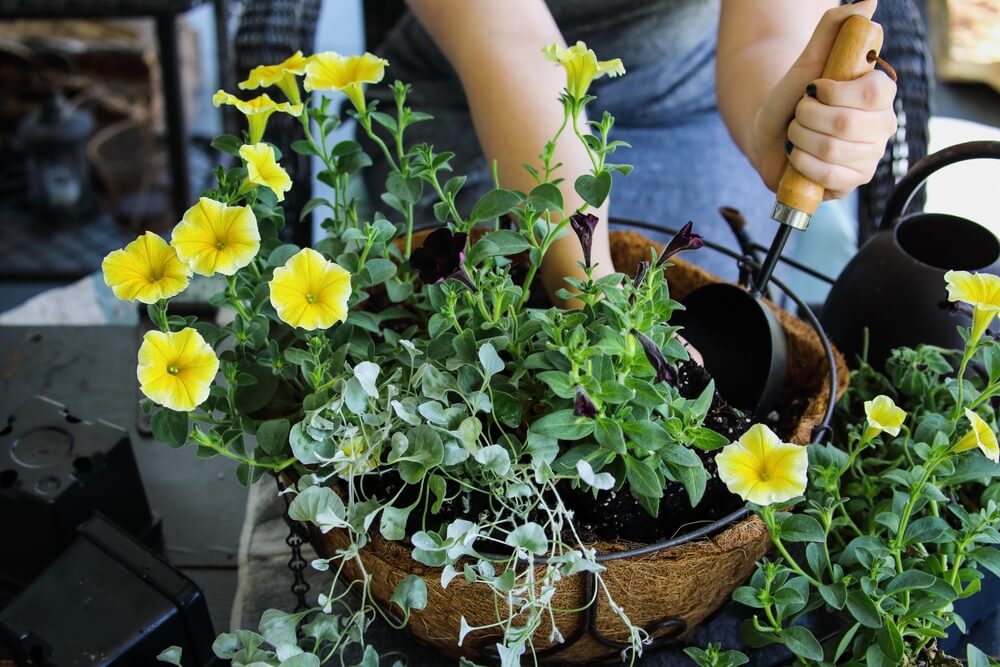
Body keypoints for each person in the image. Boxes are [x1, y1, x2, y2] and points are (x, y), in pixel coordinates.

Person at [363, 0, 898, 294]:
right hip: (475, 90)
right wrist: (590, 292)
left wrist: (782, 121)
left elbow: (763, 31)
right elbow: (511, 41)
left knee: (725, 308)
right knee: (495, 304)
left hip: (686, 94)